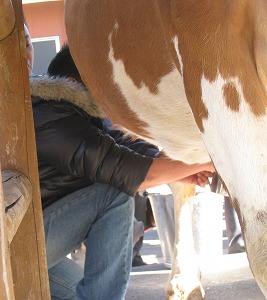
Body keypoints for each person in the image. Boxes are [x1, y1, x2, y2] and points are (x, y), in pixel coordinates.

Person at [24, 24, 214, 300]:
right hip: (17, 247)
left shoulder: (69, 111)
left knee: (83, 290)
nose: (109, 94)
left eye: (27, 42)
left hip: (35, 242)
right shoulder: (48, 116)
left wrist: (178, 167)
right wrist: (201, 163)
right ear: (76, 82)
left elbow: (122, 146)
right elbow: (120, 167)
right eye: (102, 84)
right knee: (113, 196)